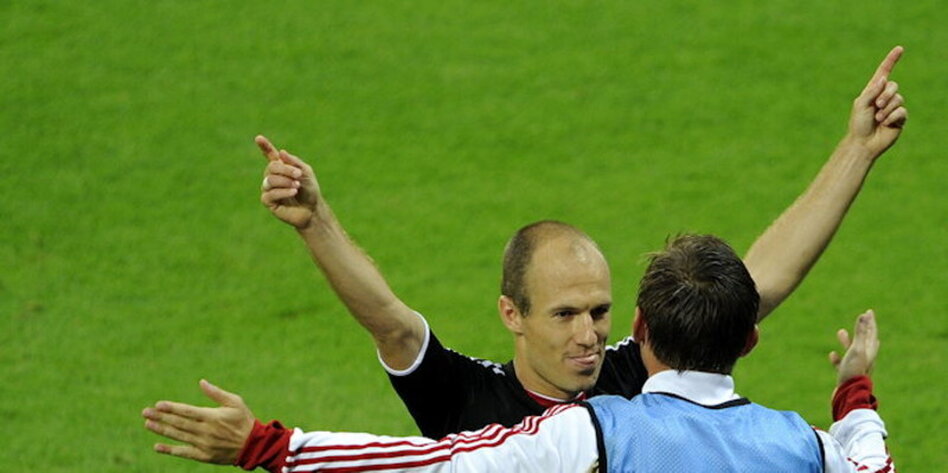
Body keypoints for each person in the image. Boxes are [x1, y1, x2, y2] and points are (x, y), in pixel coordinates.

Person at [142, 45, 907, 458]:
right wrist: (315, 221)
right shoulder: (464, 397)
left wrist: (857, 151)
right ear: (512, 313)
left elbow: (754, 282)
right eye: (566, 313)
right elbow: (391, 321)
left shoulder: (633, 374)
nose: (588, 333)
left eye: (600, 311)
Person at [143, 235, 892, 472]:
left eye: (599, 314)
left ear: (638, 327)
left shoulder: (592, 430)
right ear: (749, 339)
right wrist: (854, 397)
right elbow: (872, 465)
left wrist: (270, 445)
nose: (587, 334)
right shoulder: (806, 447)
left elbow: (425, 465)